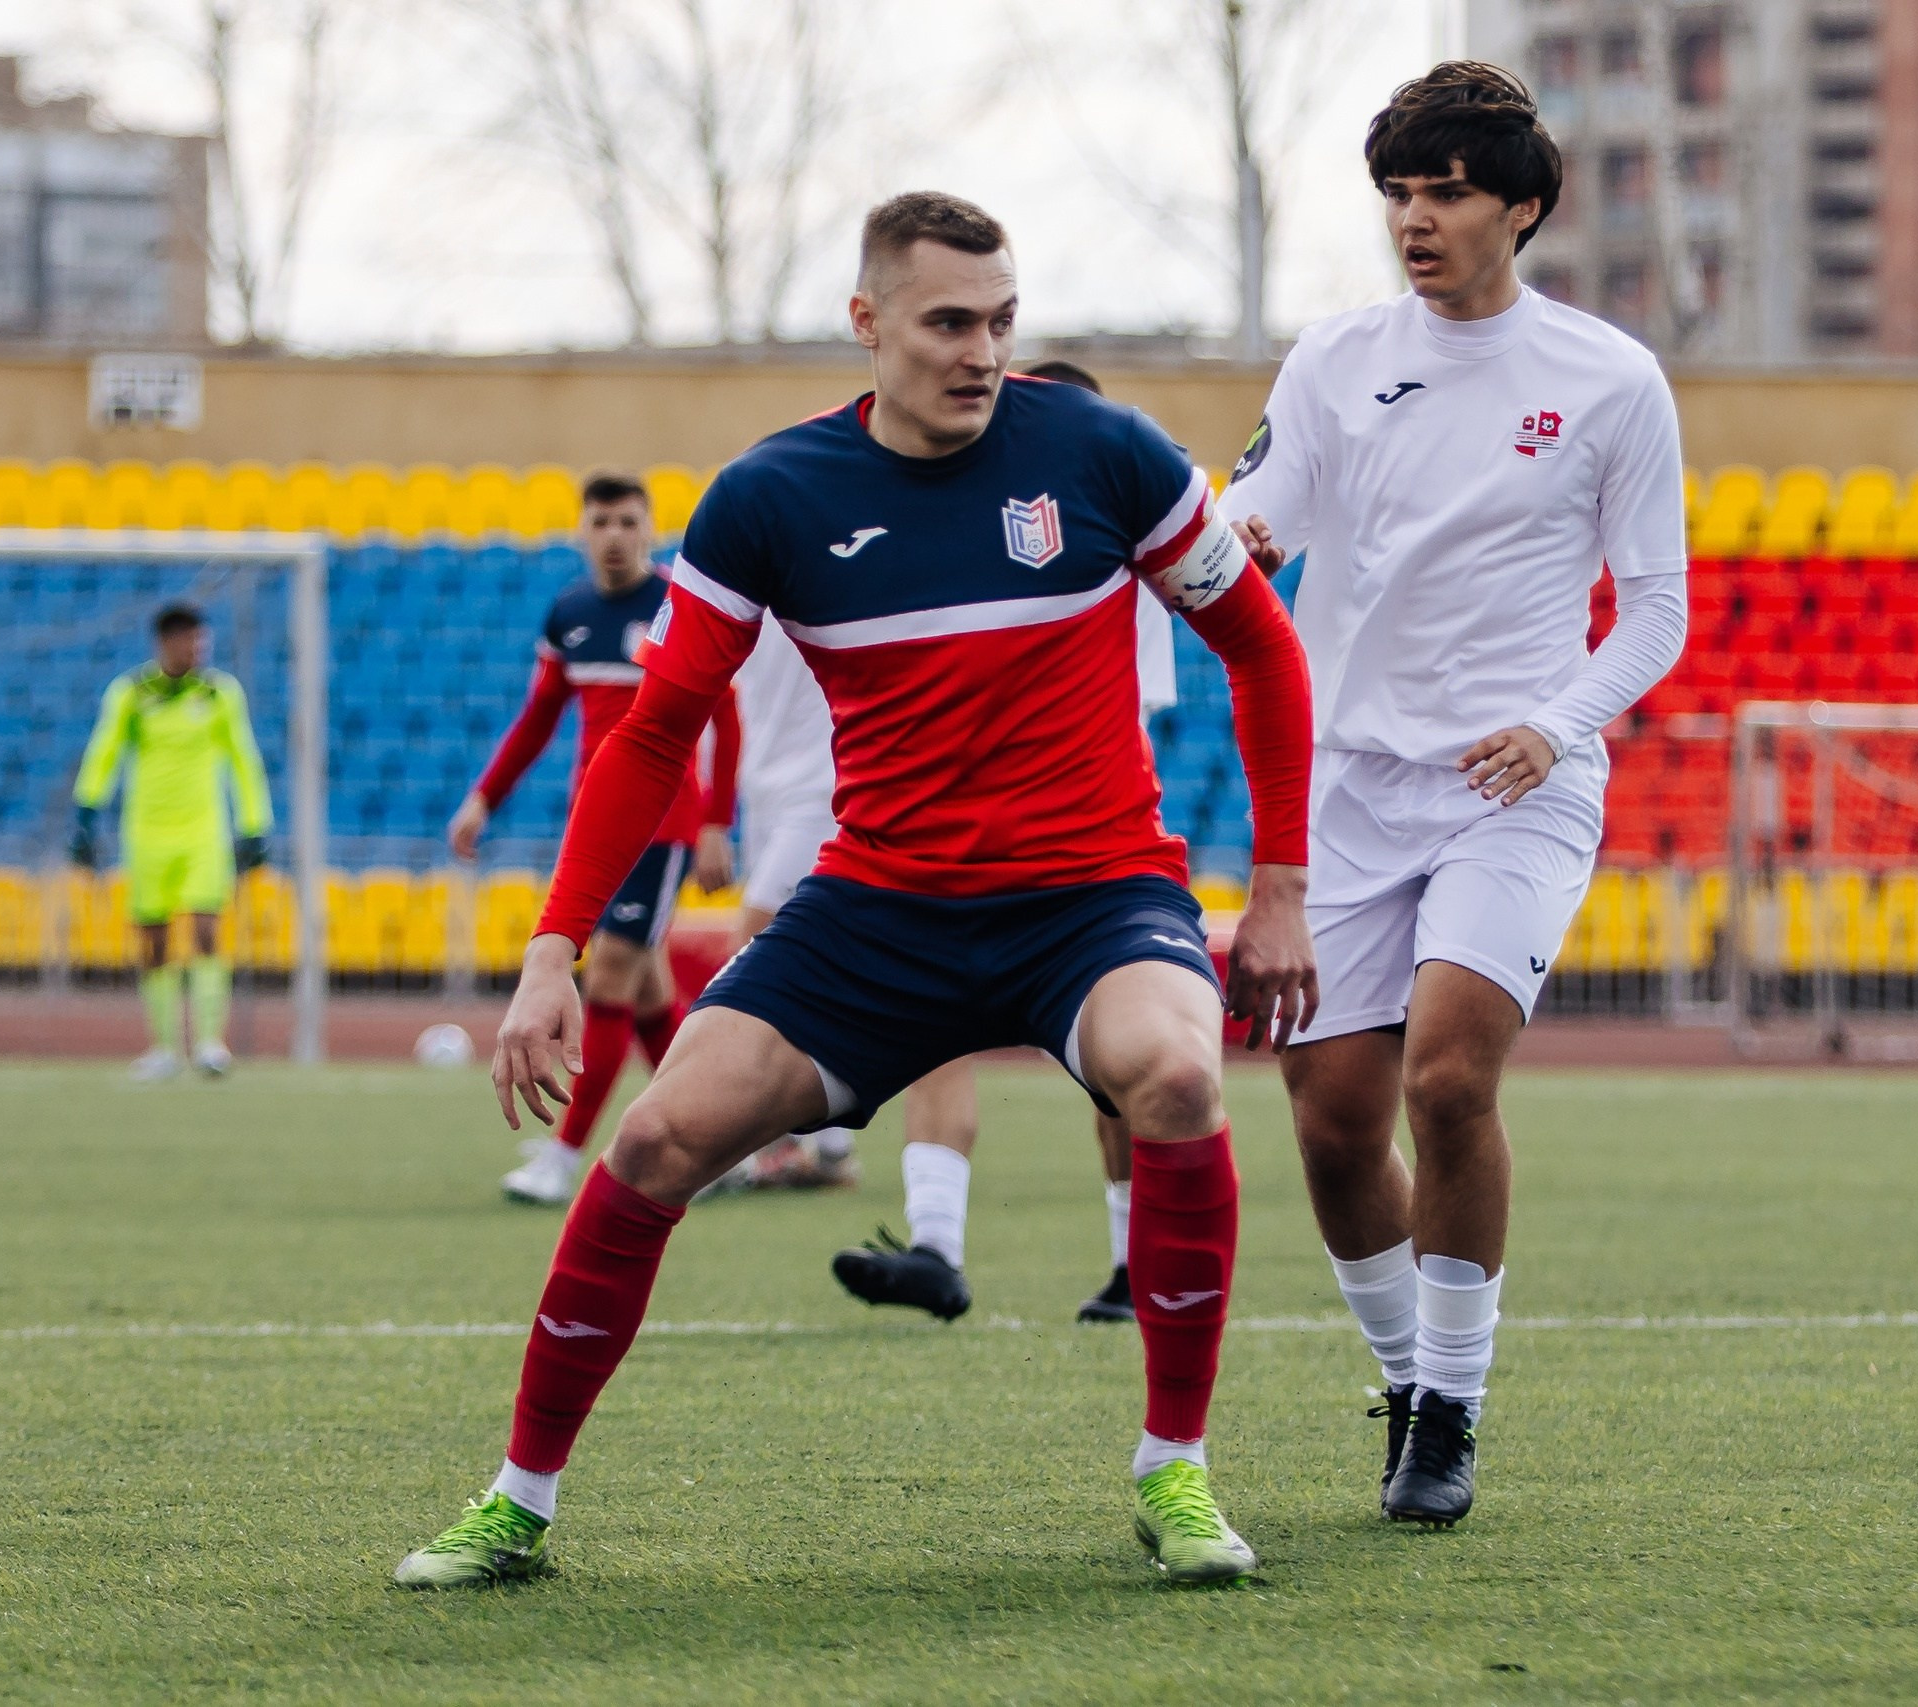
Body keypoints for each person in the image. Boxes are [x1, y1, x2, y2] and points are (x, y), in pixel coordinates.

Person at [394, 190, 1314, 1591]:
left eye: (1002, 320)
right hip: (876, 909)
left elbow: (1263, 647)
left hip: (1095, 895)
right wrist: (551, 951)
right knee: (652, 1142)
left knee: (1176, 1080)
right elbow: (652, 731)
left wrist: (1285, 887)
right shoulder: (774, 494)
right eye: (950, 322)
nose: (982, 350)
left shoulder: (1108, 454)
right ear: (868, 322)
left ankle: (1173, 1467)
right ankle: (517, 1499)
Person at [1222, 63, 1689, 1528]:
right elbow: (1251, 533)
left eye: (1448, 192)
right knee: (1335, 1119)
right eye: (1399, 195)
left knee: (1445, 1076)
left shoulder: (1610, 378)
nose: (1416, 220)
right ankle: (1409, 1383)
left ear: (1523, 206)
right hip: (1351, 790)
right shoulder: (1334, 359)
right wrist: (1162, 545)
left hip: (1517, 787)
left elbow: (1659, 609)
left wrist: (1558, 727)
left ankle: (1453, 1418)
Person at [822, 356, 1175, 1326]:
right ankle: (936, 1244)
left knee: (1121, 1066)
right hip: (964, 833)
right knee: (933, 1028)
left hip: (1086, 846)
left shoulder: (1114, 535)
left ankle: (1132, 1260)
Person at [447, 472, 739, 1207]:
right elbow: (537, 718)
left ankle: (563, 1154)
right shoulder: (569, 614)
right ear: (583, 531)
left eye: (627, 521)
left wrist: (714, 823)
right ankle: (724, 1138)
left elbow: (726, 720)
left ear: (649, 527)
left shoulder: (679, 604)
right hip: (598, 827)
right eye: (601, 521)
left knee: (607, 975)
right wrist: (484, 798)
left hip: (666, 823)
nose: (614, 534)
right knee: (644, 993)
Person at [69, 602, 272, 1081]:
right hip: (146, 834)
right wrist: (86, 810)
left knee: (205, 928)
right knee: (154, 940)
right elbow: (105, 751)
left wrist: (254, 823)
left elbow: (243, 758)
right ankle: (162, 1047)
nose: (198, 649)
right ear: (166, 642)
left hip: (203, 831)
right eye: (189, 640)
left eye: (203, 641)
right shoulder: (132, 694)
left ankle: (209, 1044)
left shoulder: (220, 693)